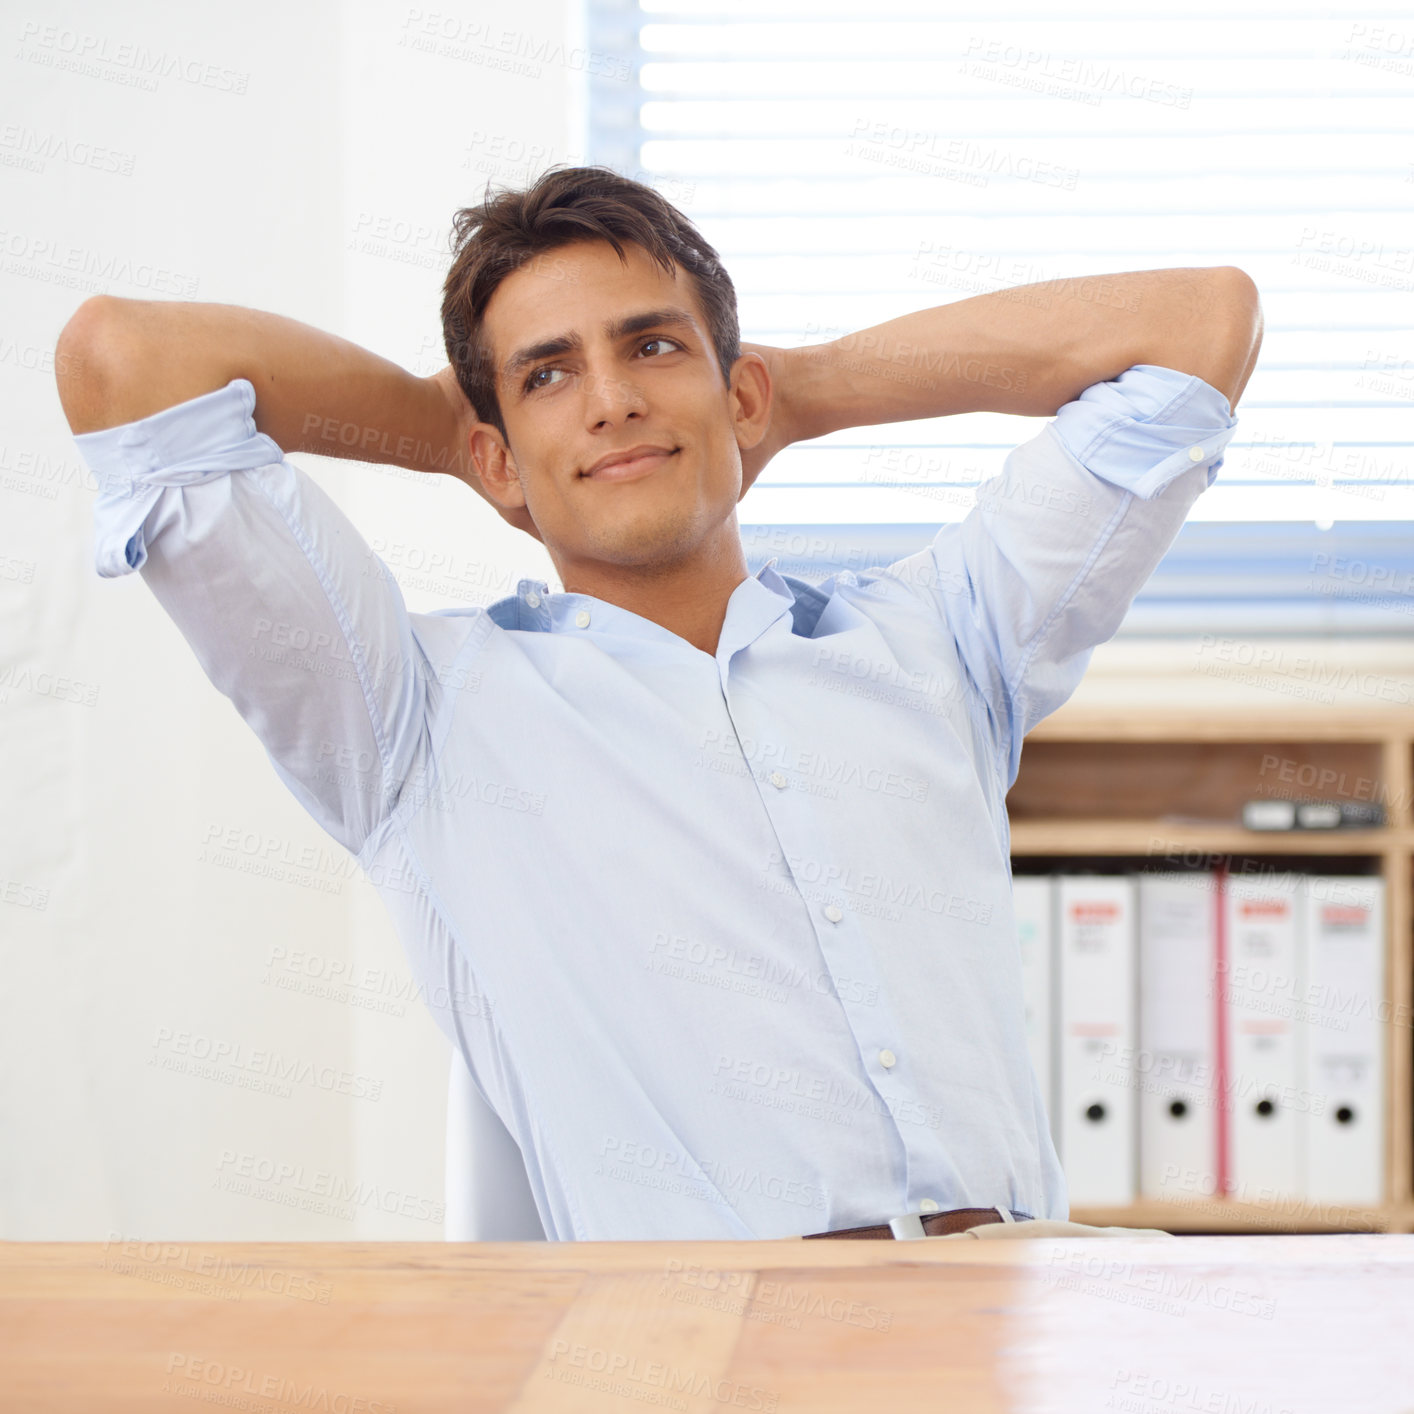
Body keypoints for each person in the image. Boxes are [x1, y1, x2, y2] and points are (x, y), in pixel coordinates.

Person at [55, 165, 1262, 1242]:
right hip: (707, 1356)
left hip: (1020, 1316)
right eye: (548, 375)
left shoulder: (938, 637)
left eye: (652, 348)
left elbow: (1197, 326)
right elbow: (123, 359)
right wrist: (449, 434)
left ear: (738, 398)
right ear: (495, 459)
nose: (610, 400)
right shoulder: (410, 718)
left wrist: (800, 391)